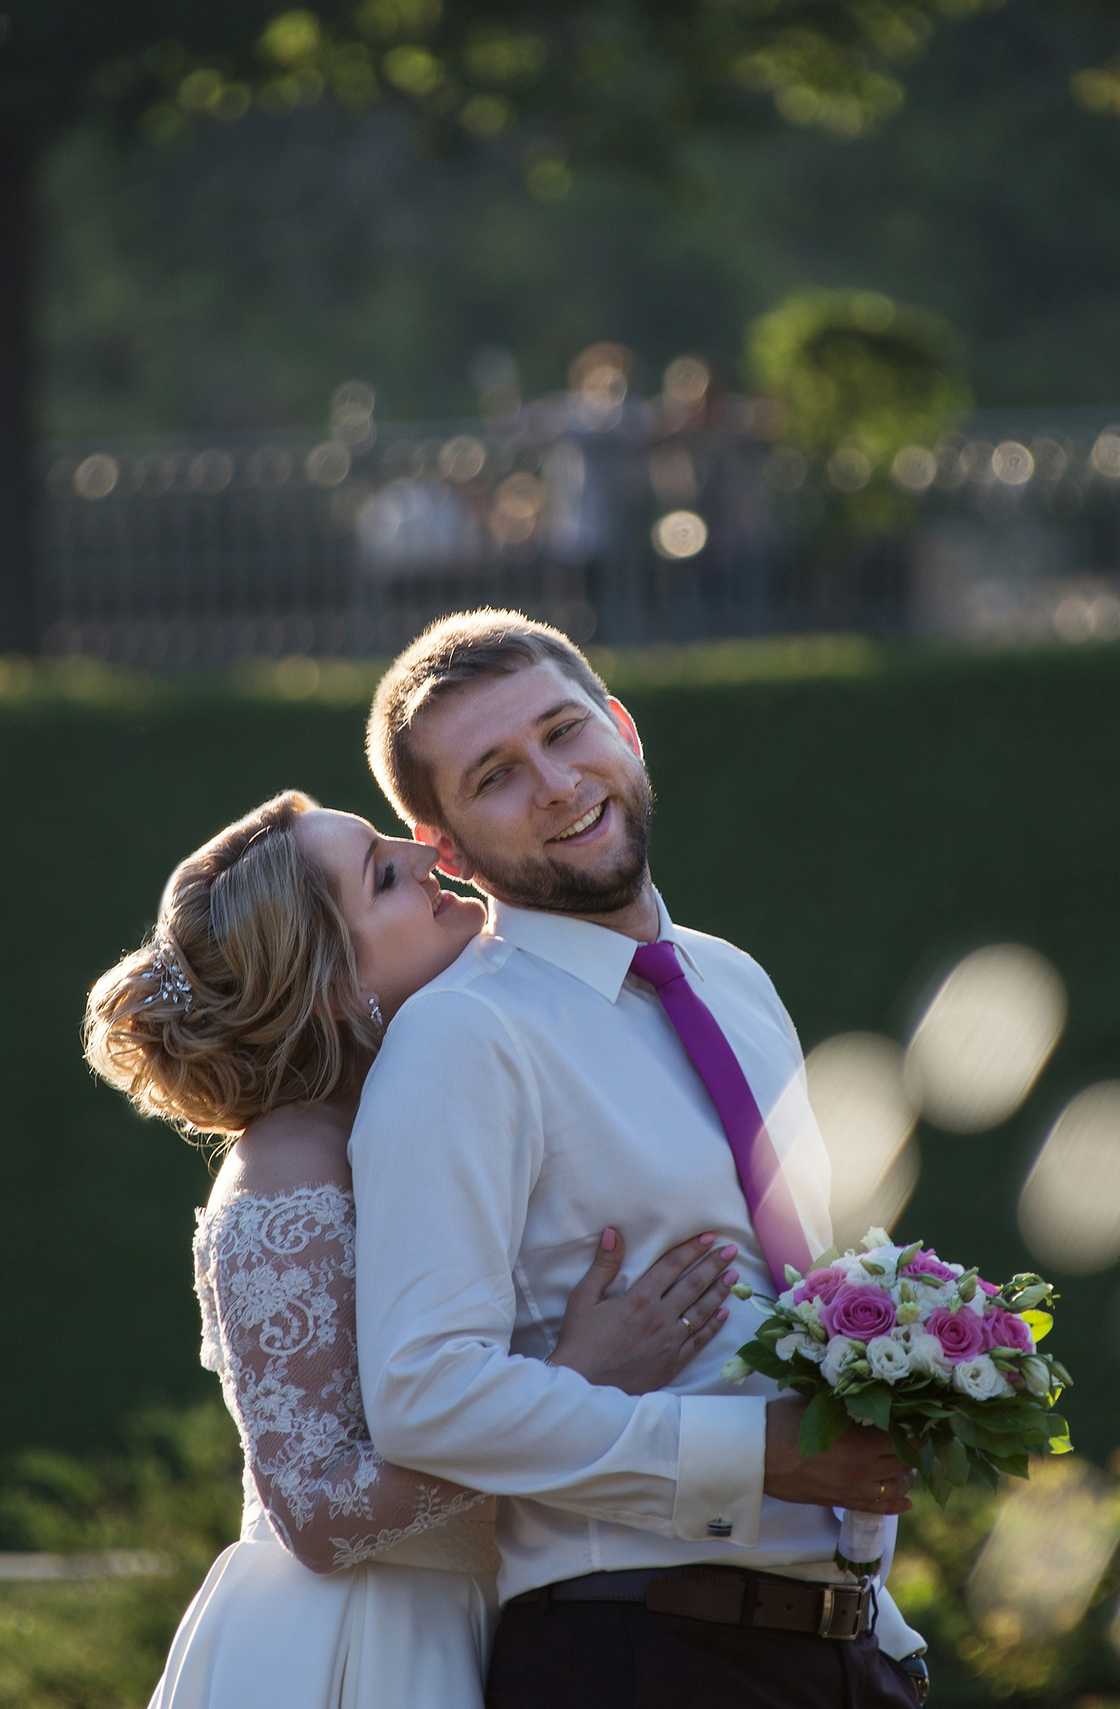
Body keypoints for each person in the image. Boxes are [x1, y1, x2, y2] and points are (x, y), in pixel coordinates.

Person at [351, 610, 931, 1708]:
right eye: (496, 775)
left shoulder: (734, 981)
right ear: (449, 850)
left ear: (623, 727)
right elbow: (424, 1394)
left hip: (846, 1646)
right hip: (635, 1655)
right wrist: (755, 1454)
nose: (559, 783)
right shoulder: (463, 1036)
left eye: (567, 732)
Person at [83, 790, 744, 1709]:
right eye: (385, 874)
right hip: (354, 1645)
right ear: (331, 981)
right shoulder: (287, 1168)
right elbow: (314, 1513)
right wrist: (581, 1373)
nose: (426, 853)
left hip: (500, 1616)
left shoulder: (427, 1097)